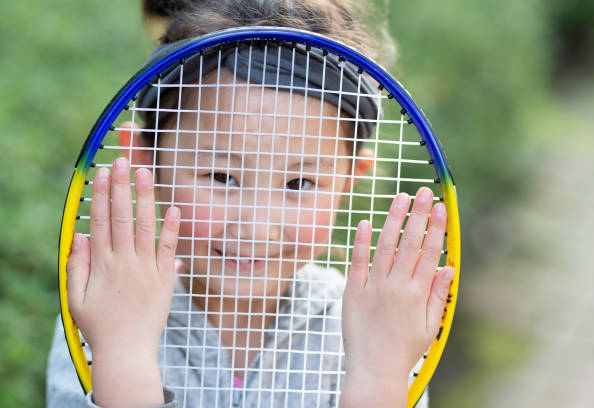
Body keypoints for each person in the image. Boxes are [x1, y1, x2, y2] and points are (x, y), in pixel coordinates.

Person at [47, 1, 454, 407]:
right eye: (222, 176)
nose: (257, 227)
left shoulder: (379, 328)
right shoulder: (104, 313)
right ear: (143, 157)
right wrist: (124, 355)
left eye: (300, 182)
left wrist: (378, 374)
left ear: (351, 179)